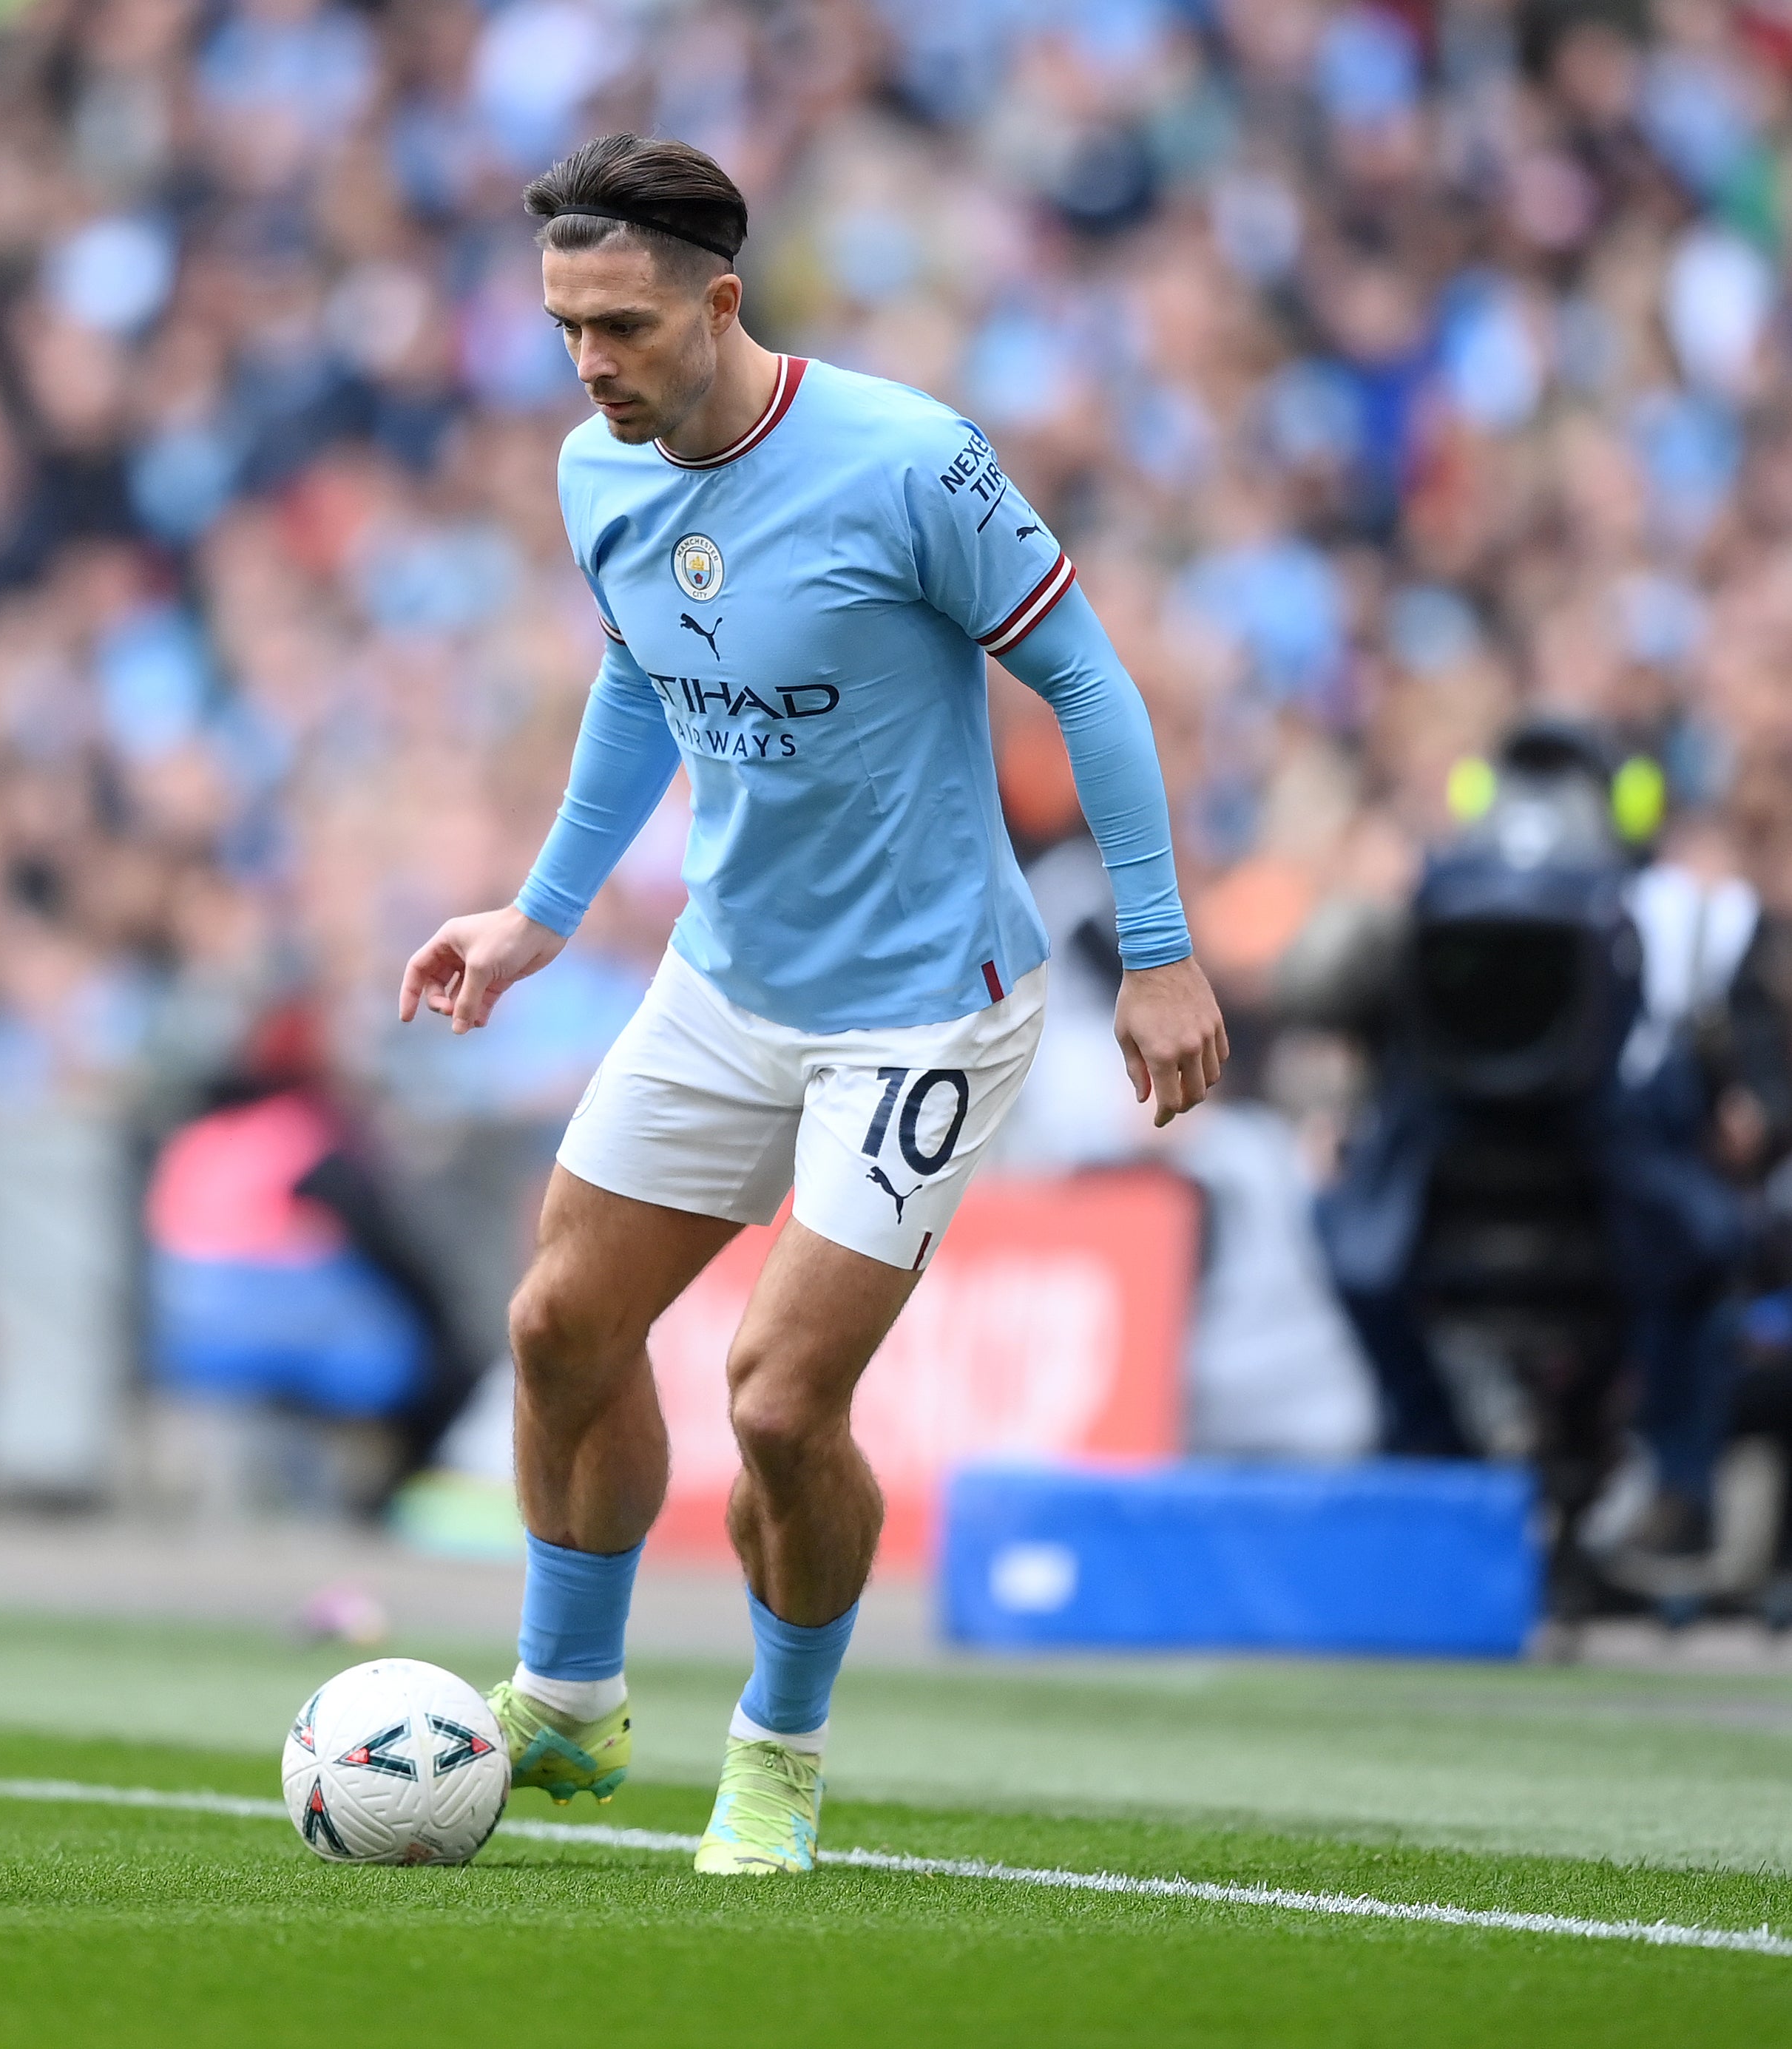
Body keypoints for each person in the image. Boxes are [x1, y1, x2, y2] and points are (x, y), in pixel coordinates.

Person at [397, 136, 1225, 1876]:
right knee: (557, 1327)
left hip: (926, 1009)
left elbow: (1088, 683)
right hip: (726, 980)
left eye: (619, 325)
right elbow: (640, 672)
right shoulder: (594, 471)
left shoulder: (908, 459)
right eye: (563, 328)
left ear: (721, 297)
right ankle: (571, 1695)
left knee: (777, 1403)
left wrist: (1154, 953)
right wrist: (542, 914)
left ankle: (777, 1747)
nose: (589, 364)